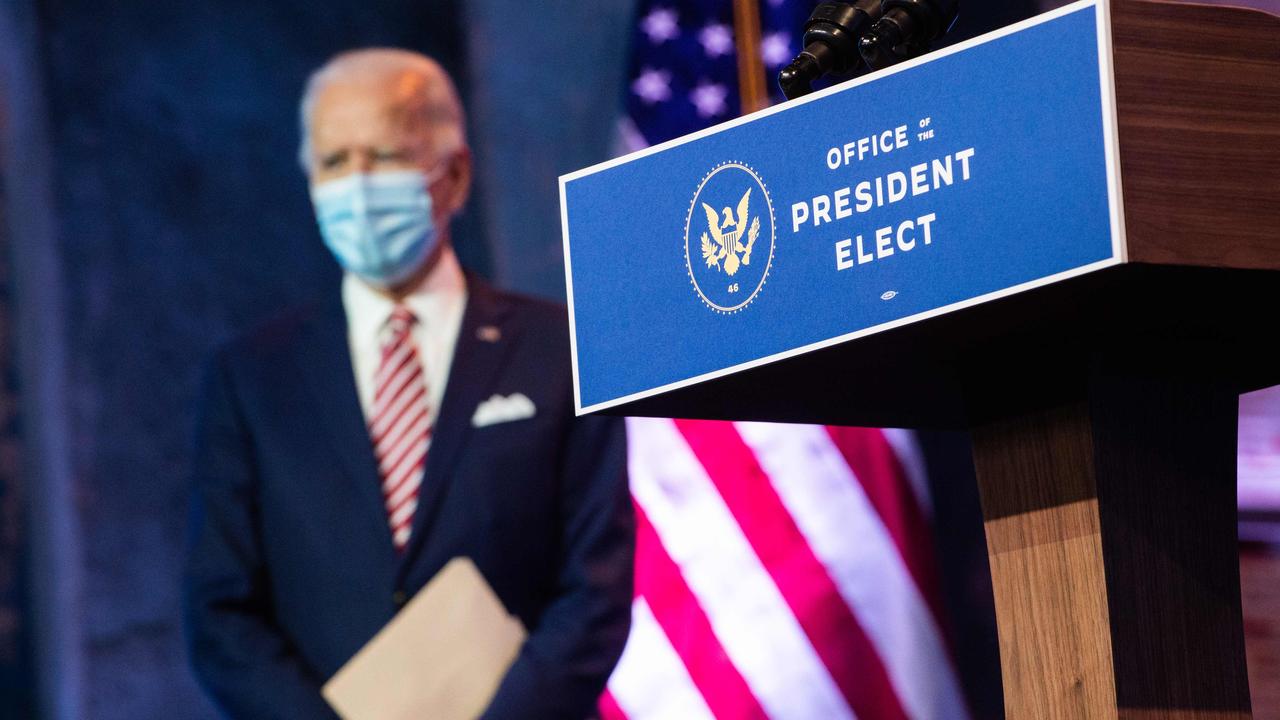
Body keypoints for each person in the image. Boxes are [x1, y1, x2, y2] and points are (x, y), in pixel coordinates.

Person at [183, 48, 634, 720]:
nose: (357, 185)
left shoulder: (560, 348)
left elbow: (594, 589)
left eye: (386, 155)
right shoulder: (250, 377)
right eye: (334, 162)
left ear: (453, 176)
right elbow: (221, 613)